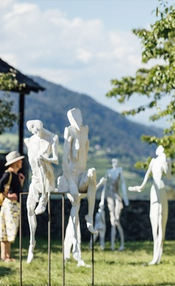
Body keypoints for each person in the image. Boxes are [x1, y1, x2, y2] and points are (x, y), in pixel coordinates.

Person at [56, 108, 97, 267]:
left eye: (80, 115)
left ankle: (90, 217)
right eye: (76, 116)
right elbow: (64, 161)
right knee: (74, 211)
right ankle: (75, 254)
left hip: (82, 174)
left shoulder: (85, 131)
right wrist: (71, 183)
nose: (79, 118)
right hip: (71, 176)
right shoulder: (70, 132)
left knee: (92, 173)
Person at [24, 119, 58, 264]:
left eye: (36, 129)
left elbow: (56, 159)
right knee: (29, 208)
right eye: (32, 130)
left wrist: (44, 158)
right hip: (36, 179)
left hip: (48, 176)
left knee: (40, 161)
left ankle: (44, 199)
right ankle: (32, 245)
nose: (35, 132)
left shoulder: (52, 138)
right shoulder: (30, 141)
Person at [129, 145, 170, 265]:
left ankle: (158, 256)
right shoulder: (153, 161)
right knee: (154, 219)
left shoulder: (164, 161)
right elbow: (147, 176)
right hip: (154, 190)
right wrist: (139, 187)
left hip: (161, 188)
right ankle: (154, 256)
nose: (160, 149)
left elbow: (167, 175)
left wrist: (167, 163)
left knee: (161, 220)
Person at [0, 151, 25, 262]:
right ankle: (5, 256)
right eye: (20, 160)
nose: (21, 162)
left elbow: (17, 191)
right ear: (15, 162)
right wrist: (7, 196)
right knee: (7, 229)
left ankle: (7, 255)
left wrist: (21, 182)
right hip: (10, 206)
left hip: (13, 206)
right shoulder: (8, 173)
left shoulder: (15, 175)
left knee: (7, 230)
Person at [98, 158, 129, 251]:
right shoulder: (108, 172)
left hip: (117, 197)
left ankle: (121, 244)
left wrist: (125, 197)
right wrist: (102, 199)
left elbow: (123, 184)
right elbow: (105, 186)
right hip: (110, 197)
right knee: (112, 221)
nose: (115, 163)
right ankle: (112, 245)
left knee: (116, 220)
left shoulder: (120, 171)